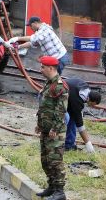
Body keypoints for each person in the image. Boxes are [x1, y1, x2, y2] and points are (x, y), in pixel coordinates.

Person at [35, 56, 69, 200]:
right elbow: (44, 107)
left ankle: (60, 191)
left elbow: (60, 110)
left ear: (51, 68)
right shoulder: (49, 84)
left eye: (43, 67)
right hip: (45, 129)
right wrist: (39, 124)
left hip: (55, 131)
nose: (41, 69)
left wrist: (54, 128)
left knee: (55, 161)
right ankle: (52, 187)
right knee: (46, 160)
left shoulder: (60, 86)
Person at [63, 77, 101, 153]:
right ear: (90, 100)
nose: (92, 107)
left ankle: (69, 145)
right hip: (52, 100)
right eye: (92, 105)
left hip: (66, 98)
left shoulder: (86, 87)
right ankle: (53, 143)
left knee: (72, 117)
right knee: (66, 119)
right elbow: (80, 125)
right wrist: (88, 144)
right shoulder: (77, 100)